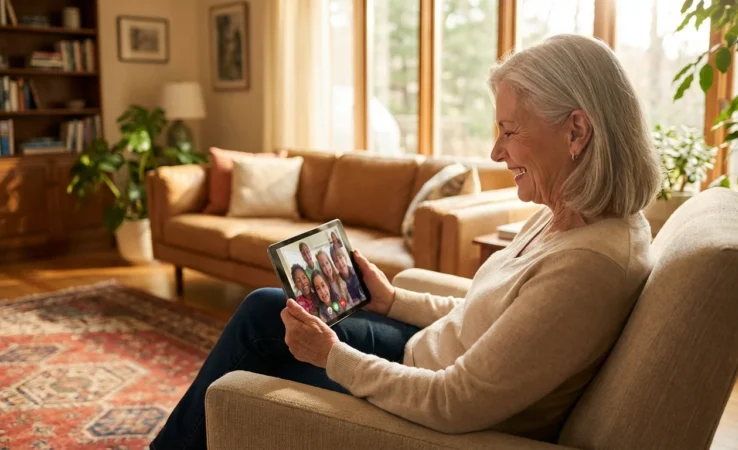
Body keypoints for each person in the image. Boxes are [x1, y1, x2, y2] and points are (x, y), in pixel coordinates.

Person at [151, 34, 661, 449]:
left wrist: (330, 355)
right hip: (420, 356)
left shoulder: (589, 265)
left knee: (264, 327)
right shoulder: (567, 216)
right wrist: (392, 300)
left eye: (509, 130)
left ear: (576, 132)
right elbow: (484, 312)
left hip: (424, 403)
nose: (496, 151)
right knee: (268, 308)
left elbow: (454, 402)